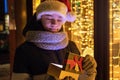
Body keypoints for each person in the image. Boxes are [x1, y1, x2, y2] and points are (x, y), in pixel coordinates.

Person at [12, 0, 97, 80]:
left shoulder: (70, 46)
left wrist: (88, 70)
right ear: (39, 19)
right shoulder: (24, 50)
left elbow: (76, 76)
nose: (54, 24)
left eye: (59, 19)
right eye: (49, 18)